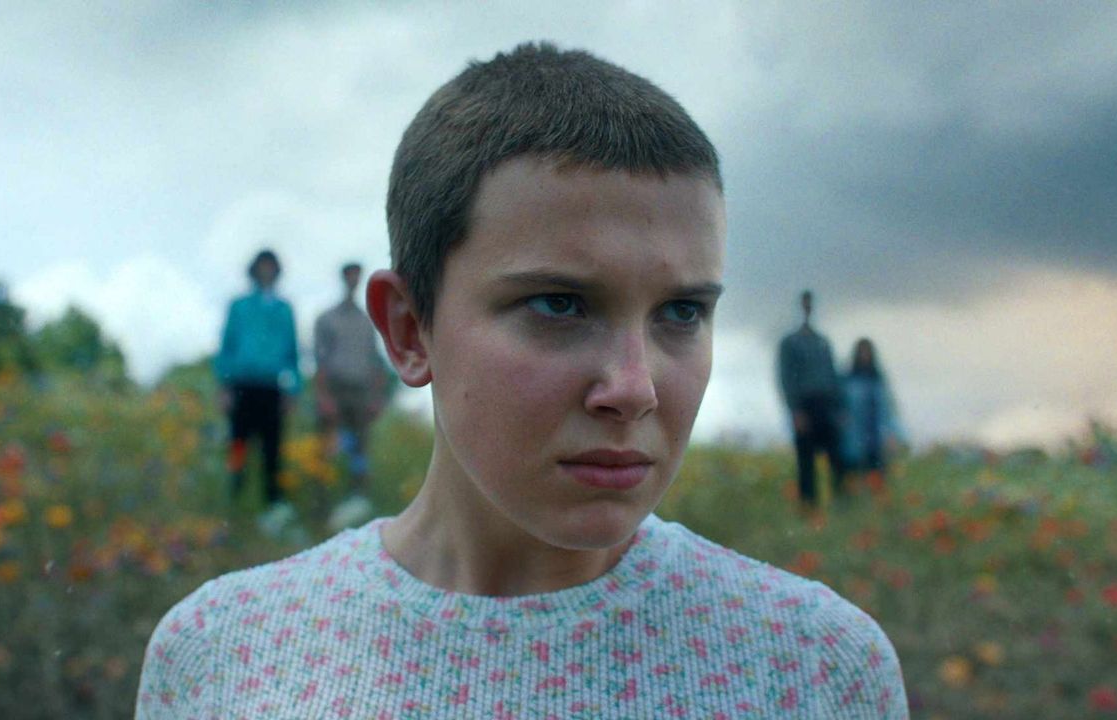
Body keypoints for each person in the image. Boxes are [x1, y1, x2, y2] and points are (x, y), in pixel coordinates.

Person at [139, 43, 908, 718]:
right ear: (408, 330)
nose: (634, 388)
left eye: (682, 312)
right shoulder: (221, 654)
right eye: (559, 304)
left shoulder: (817, 668)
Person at [214, 249, 301, 536]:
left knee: (272, 449)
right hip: (242, 386)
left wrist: (293, 389)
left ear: (277, 270)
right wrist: (224, 386)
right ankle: (234, 494)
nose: (266, 270)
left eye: (271, 266)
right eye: (262, 265)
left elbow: (293, 353)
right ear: (254, 269)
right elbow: (227, 346)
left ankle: (273, 503)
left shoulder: (284, 309)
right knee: (238, 443)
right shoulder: (239, 306)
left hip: (271, 388)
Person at [313, 261, 387, 527]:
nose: (354, 280)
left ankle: (357, 505)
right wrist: (324, 397)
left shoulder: (367, 322)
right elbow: (319, 361)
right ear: (343, 278)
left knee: (359, 449)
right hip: (335, 390)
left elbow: (376, 361)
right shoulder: (327, 318)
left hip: (361, 393)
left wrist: (376, 398)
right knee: (329, 449)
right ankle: (321, 508)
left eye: (358, 276)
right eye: (350, 275)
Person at [778, 290, 846, 511]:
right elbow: (786, 378)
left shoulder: (822, 342)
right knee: (806, 460)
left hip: (826, 405)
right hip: (805, 405)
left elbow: (833, 375)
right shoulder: (789, 343)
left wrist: (839, 408)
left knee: (836, 456)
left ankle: (841, 501)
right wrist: (795, 411)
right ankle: (809, 506)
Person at [841, 338, 905, 495]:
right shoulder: (848, 379)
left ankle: (876, 501)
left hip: (876, 437)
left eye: (867, 353)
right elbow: (841, 408)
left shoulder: (878, 379)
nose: (865, 356)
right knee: (854, 476)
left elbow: (889, 410)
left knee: (878, 477)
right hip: (854, 437)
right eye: (862, 353)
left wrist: (893, 434)